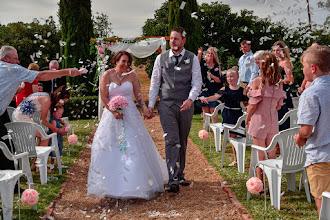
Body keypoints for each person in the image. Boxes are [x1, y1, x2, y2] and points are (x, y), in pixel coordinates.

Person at [87, 51, 168, 200]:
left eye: (127, 62)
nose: (125, 65)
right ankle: (110, 185)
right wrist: (113, 111)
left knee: (133, 146)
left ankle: (134, 185)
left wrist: (144, 108)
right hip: (111, 116)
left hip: (130, 114)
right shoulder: (107, 75)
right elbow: (104, 97)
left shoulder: (132, 76)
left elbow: (138, 96)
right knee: (109, 146)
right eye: (123, 61)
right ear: (116, 61)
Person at [0, 45, 83, 171]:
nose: (18, 62)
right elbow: (42, 76)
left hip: (10, 113)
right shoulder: (12, 68)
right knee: (9, 147)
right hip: (19, 116)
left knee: (6, 145)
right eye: (15, 59)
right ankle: (29, 170)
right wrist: (67, 71)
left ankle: (24, 171)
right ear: (6, 58)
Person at [148, 27, 202, 193]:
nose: (173, 41)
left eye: (176, 39)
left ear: (183, 41)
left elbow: (197, 83)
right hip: (166, 105)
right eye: (171, 38)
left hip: (186, 104)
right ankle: (172, 179)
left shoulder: (192, 58)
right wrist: (151, 105)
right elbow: (155, 82)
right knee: (172, 139)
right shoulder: (160, 58)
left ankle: (179, 174)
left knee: (182, 139)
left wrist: (190, 99)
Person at [294, 45, 330, 216]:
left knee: (324, 205)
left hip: (321, 157)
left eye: (304, 66)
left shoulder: (311, 93)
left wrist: (299, 137)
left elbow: (307, 130)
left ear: (313, 68)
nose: (303, 69)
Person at [246, 52, 285, 185]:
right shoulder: (278, 84)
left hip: (259, 121)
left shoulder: (258, 81)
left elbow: (252, 105)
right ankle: (273, 184)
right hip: (273, 121)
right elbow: (279, 106)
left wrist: (247, 118)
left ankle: (260, 186)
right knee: (272, 153)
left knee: (260, 154)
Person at [13, 85, 70, 170]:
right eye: (62, 101)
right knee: (45, 137)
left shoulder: (47, 96)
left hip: (20, 115)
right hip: (20, 117)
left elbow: (50, 118)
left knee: (43, 135)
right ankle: (39, 167)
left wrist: (61, 122)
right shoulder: (47, 100)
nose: (62, 104)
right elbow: (43, 120)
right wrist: (58, 130)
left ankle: (35, 165)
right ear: (58, 97)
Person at [200, 66, 248, 166]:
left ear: (237, 77)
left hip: (238, 115)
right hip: (228, 115)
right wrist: (206, 99)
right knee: (232, 137)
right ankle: (237, 159)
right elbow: (215, 97)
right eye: (228, 77)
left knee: (239, 138)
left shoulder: (242, 90)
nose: (230, 78)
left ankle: (239, 158)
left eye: (232, 76)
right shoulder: (225, 88)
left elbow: (246, 102)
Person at [197, 46, 224, 123]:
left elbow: (220, 80)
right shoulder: (202, 63)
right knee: (205, 109)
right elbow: (196, 62)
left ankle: (214, 126)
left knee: (213, 109)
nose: (210, 55)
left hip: (213, 90)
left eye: (212, 53)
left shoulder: (217, 66)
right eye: (208, 53)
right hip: (203, 89)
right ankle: (206, 129)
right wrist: (199, 54)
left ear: (214, 55)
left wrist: (212, 76)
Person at [272, 41, 294, 132]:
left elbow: (290, 80)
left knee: (282, 122)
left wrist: (278, 82)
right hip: (275, 94)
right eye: (274, 51)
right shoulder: (275, 62)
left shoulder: (285, 62)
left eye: (278, 50)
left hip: (283, 95)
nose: (275, 53)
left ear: (283, 51)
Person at [48, 105, 69, 170]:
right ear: (53, 112)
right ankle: (52, 164)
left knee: (59, 150)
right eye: (58, 113)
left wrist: (62, 125)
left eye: (61, 114)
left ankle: (59, 163)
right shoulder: (53, 121)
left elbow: (59, 127)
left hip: (58, 139)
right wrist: (62, 130)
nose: (60, 115)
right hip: (54, 139)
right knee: (54, 151)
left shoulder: (56, 120)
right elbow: (54, 130)